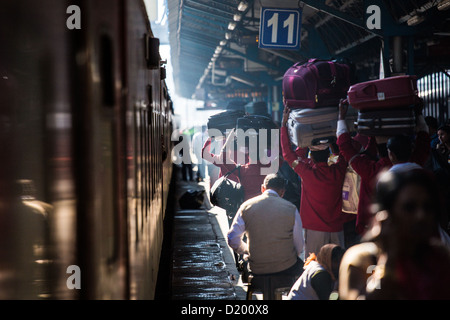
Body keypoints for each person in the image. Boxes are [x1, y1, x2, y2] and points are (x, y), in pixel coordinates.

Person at [336, 99, 430, 235]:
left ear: (390, 153)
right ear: (410, 147)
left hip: (376, 232)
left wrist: (341, 117)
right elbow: (424, 138)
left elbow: (345, 146)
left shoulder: (372, 171)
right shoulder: (417, 164)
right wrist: (419, 113)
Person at [364, 168, 450, 299]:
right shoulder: (366, 260)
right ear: (387, 214)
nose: (421, 216)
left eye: (427, 207)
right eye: (409, 207)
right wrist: (389, 259)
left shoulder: (440, 256)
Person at [281, 106, 348, 255]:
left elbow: (287, 154)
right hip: (337, 228)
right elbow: (343, 153)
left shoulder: (306, 172)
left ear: (311, 157)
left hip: (313, 229)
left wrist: (284, 124)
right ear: (328, 153)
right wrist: (334, 138)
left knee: (314, 267)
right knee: (337, 269)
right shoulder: (339, 170)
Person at [227, 174, 304, 278]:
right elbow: (299, 246)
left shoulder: (246, 206)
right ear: (282, 192)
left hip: (256, 267)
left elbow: (232, 239)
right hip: (285, 267)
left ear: (262, 188)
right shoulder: (291, 208)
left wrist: (246, 250)